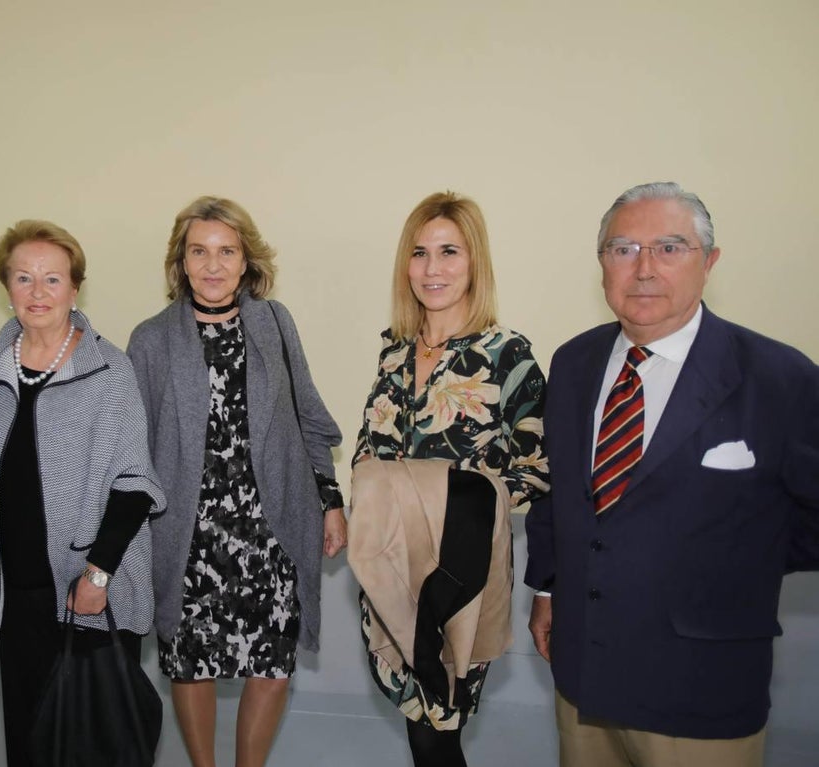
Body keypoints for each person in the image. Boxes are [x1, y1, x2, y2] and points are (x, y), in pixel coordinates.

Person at [524, 181, 819, 767]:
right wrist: (549, 585)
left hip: (701, 687)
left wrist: (724, 565)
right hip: (585, 675)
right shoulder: (574, 362)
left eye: (670, 247)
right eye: (623, 249)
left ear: (709, 262)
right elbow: (556, 491)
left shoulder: (778, 377)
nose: (644, 268)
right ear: (602, 264)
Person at [127, 196, 347, 767]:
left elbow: (309, 419)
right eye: (199, 251)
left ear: (248, 260)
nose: (213, 265)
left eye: (227, 251)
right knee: (190, 662)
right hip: (188, 538)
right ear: (181, 260)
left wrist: (330, 501)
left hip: (271, 528)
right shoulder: (151, 339)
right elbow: (136, 448)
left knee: (272, 665)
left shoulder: (274, 323)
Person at [352, 191, 549, 766]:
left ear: (474, 262)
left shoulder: (506, 354)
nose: (432, 269)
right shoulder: (392, 354)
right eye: (419, 253)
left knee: (439, 724)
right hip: (389, 558)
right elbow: (370, 448)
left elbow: (538, 466)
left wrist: (455, 504)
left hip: (460, 567)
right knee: (417, 721)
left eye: (448, 252)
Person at [0, 219, 165, 767]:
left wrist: (98, 576)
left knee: (95, 737)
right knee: (29, 734)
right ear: (6, 288)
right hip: (17, 586)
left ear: (76, 288)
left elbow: (133, 484)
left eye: (53, 279)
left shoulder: (108, 368)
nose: (38, 292)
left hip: (87, 585)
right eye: (23, 278)